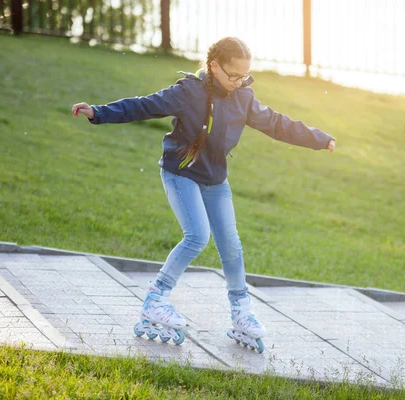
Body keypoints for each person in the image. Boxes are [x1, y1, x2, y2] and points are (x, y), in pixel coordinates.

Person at [72, 37, 336, 353]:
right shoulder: (189, 92)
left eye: (244, 76)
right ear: (213, 66)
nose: (238, 82)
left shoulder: (244, 98)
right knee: (197, 236)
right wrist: (98, 112)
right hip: (181, 173)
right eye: (233, 75)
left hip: (214, 179)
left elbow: (279, 125)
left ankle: (241, 313)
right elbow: (145, 104)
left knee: (231, 246)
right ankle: (155, 300)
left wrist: (319, 139)